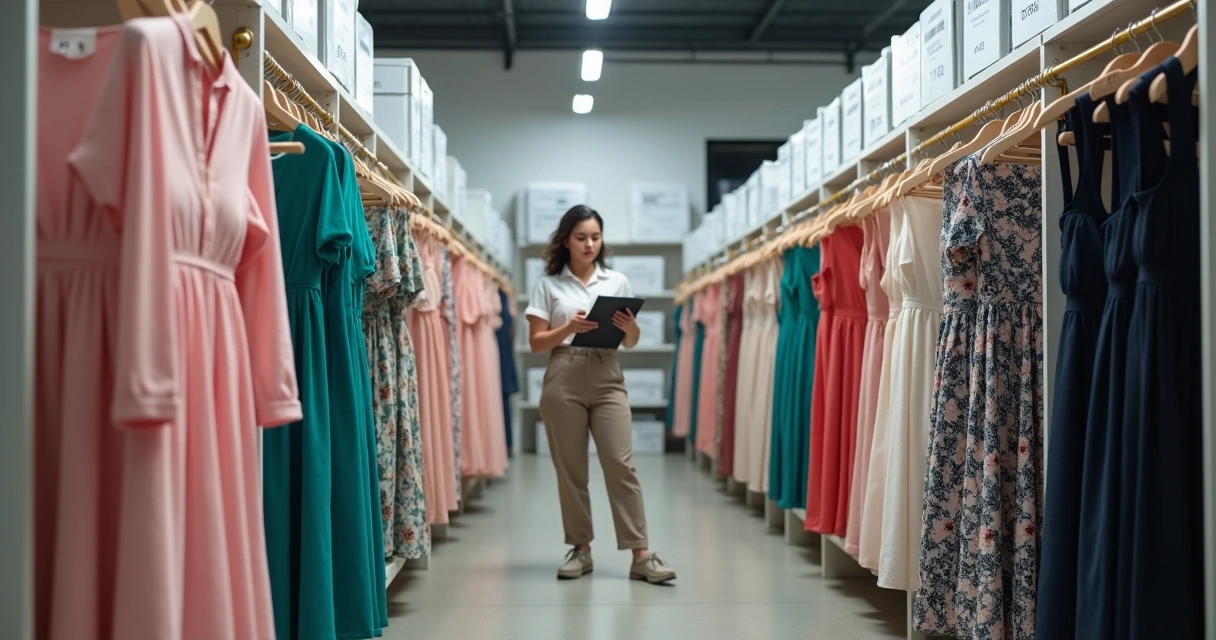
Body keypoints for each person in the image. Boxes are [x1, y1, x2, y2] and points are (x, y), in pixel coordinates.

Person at [524, 204, 677, 585]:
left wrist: (629, 327)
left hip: (608, 374)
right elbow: (537, 344)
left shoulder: (616, 281)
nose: (590, 243)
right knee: (572, 470)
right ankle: (580, 548)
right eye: (581, 237)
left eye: (595, 236)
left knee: (621, 465)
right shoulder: (548, 285)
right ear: (566, 240)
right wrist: (569, 327)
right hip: (564, 374)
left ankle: (641, 555)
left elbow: (633, 341)